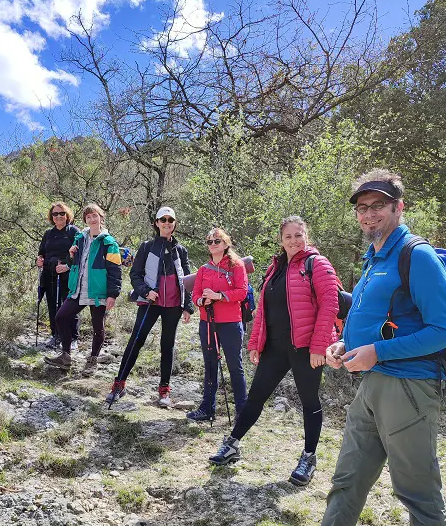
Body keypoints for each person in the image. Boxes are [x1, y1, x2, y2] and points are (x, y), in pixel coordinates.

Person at [260, 170, 446, 526]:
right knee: (348, 479)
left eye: (378, 206)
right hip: (370, 385)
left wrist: (378, 352)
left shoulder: (416, 257)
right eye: (363, 208)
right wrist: (340, 343)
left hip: (407, 388)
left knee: (419, 495)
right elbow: (372, 320)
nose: (369, 215)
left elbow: (445, 329)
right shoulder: (373, 258)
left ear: (398, 208)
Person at [210, 216, 339, 486]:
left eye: (298, 235)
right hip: (276, 347)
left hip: (306, 348)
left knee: (309, 402)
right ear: (281, 240)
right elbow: (263, 311)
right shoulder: (275, 268)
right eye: (288, 236)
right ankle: (232, 443)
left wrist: (319, 346)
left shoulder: (317, 263)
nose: (294, 240)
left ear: (307, 236)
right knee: (256, 396)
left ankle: (308, 458)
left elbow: (330, 305)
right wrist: (256, 342)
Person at [106, 206, 193, 408]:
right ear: (156, 223)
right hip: (150, 303)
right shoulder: (147, 246)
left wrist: (187, 306)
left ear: (174, 224)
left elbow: (189, 281)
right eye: (163, 220)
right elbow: (134, 275)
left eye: (170, 220)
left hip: (173, 305)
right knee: (136, 340)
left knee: (167, 346)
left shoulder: (181, 250)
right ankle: (119, 384)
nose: (167, 223)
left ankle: (164, 390)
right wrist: (146, 291)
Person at [45, 203, 121, 373]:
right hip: (79, 288)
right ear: (85, 220)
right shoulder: (80, 238)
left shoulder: (109, 243)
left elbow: (115, 269)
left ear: (101, 217)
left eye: (95, 216)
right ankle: (65, 356)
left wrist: (112, 294)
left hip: (98, 291)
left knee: (97, 327)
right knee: (61, 317)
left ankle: (92, 360)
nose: (92, 219)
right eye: (88, 217)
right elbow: (74, 263)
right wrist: (71, 256)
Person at [187, 228, 248, 422]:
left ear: (225, 243)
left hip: (230, 323)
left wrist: (219, 296)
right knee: (210, 366)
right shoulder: (204, 269)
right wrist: (201, 302)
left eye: (217, 241)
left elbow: (242, 292)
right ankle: (207, 408)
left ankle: (242, 411)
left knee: (235, 367)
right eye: (210, 242)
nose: (213, 244)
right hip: (207, 323)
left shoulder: (237, 265)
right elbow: (195, 294)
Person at [36, 202, 80, 349]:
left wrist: (67, 265)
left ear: (67, 215)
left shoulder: (73, 231)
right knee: (52, 305)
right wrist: (40, 260)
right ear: (52, 217)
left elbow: (80, 252)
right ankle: (55, 335)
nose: (59, 216)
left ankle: (73, 338)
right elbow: (42, 252)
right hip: (50, 274)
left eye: (62, 213)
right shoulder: (48, 233)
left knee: (68, 305)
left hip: (68, 274)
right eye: (55, 214)